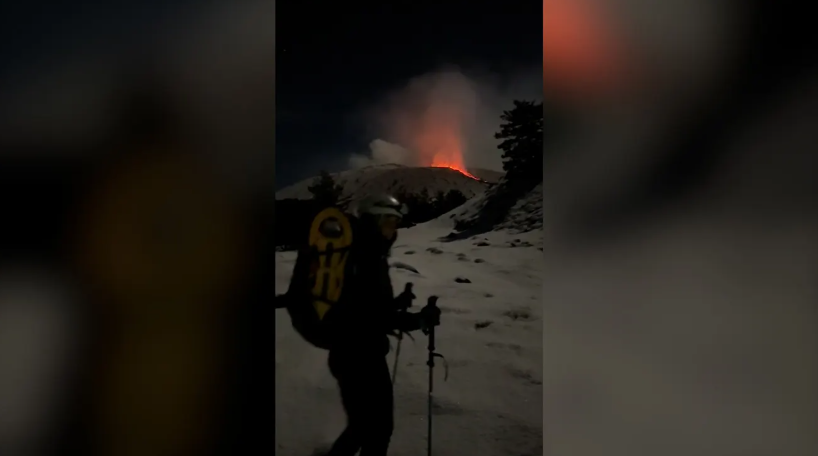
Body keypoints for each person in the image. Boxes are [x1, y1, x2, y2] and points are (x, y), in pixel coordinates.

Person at [284, 193, 441, 456]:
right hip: (359, 356)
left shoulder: (365, 251)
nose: (395, 229)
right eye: (391, 221)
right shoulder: (365, 254)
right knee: (376, 429)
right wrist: (417, 319)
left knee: (363, 427)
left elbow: (365, 307)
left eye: (397, 223)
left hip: (352, 352)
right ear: (376, 220)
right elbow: (370, 315)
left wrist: (397, 302)